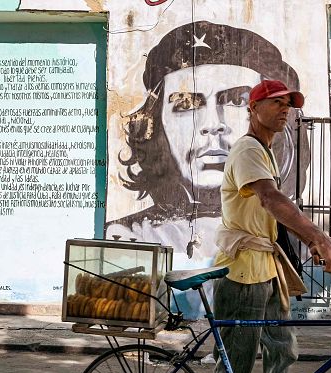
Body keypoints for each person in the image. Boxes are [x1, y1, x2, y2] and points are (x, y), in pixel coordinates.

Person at [210, 79, 331, 373]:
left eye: (288, 103)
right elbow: (270, 199)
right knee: (235, 361)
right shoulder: (247, 149)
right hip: (242, 271)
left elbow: (273, 214)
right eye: (275, 102)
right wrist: (320, 239)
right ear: (253, 108)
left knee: (282, 350)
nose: (284, 108)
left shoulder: (265, 152)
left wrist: (310, 244)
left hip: (268, 268)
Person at [106, 21, 311, 260]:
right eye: (186, 104)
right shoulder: (128, 236)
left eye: (235, 101)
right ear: (157, 123)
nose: (213, 124)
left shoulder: (289, 233)